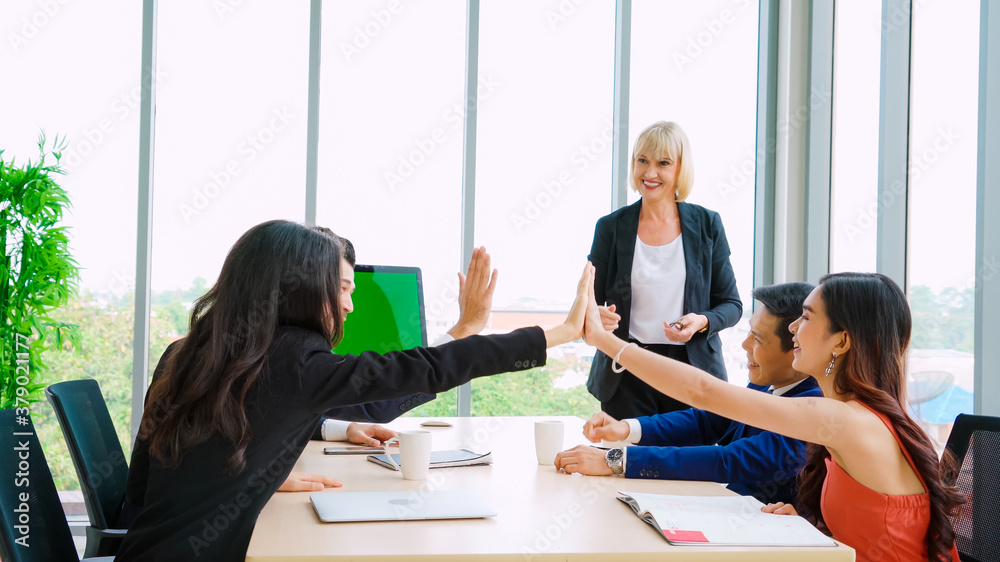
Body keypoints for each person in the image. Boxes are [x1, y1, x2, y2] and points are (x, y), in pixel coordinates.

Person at [117, 220, 589, 562]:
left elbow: (146, 482)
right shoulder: (296, 360)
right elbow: (422, 369)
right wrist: (561, 333)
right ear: (299, 289)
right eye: (341, 289)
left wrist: (251, 473)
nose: (348, 306)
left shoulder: (192, 351)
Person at [580, 267, 961, 562]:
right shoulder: (853, 417)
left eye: (808, 318)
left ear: (842, 341)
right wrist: (813, 524)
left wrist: (605, 341)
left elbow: (703, 391)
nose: (794, 326)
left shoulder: (848, 421)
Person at [555, 282, 820, 505]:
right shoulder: (770, 382)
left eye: (758, 339)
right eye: (750, 332)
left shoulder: (815, 405)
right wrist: (627, 429)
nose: (744, 344)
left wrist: (615, 460)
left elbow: (728, 460)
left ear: (797, 346)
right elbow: (708, 421)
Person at [284, 235, 499, 492]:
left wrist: (345, 429)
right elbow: (379, 401)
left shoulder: (272, 348)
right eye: (341, 288)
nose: (350, 307)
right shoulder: (291, 357)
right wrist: (466, 328)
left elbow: (290, 408)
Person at [586, 121, 742, 419]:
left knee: (688, 463)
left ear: (680, 168)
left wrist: (702, 321)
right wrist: (596, 314)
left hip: (690, 369)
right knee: (628, 462)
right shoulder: (611, 228)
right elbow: (587, 304)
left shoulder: (708, 224)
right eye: (642, 161)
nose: (650, 173)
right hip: (626, 370)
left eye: (663, 163)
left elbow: (732, 305)